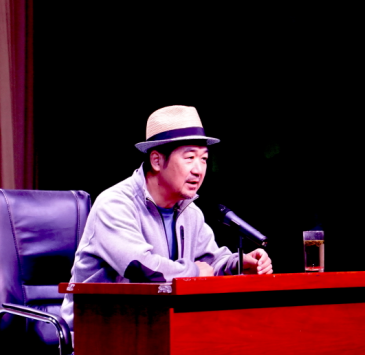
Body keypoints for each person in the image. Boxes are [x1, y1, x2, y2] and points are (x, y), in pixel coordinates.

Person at [60, 105, 272, 331]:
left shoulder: (190, 212)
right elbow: (143, 269)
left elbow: (210, 263)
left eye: (203, 159)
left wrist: (239, 264)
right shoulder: (115, 204)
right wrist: (195, 273)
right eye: (189, 157)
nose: (199, 170)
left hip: (156, 333)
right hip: (97, 337)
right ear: (157, 161)